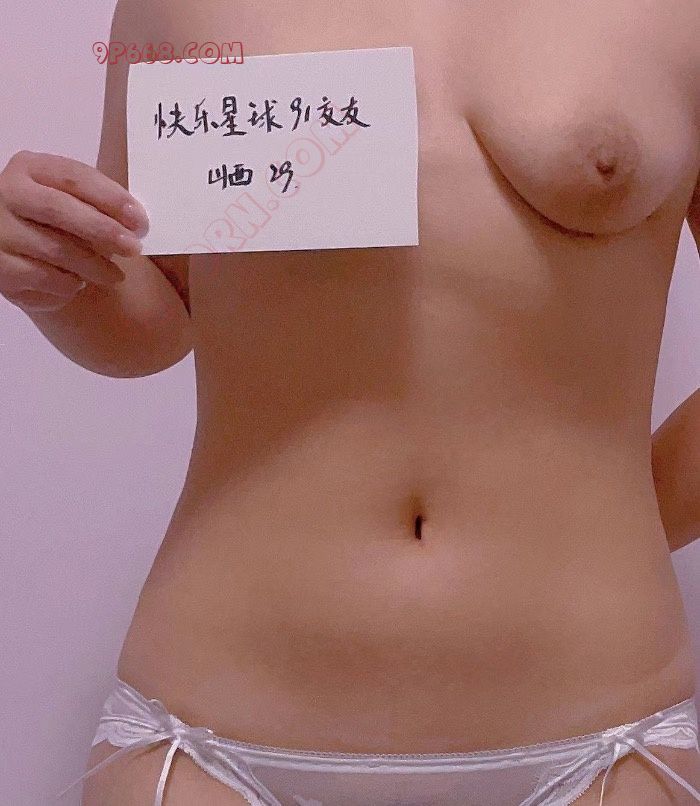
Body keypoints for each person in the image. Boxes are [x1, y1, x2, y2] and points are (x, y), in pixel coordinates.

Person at [2, 0, 700, 803]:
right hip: (210, 729)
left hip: (601, 731)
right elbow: (150, 316)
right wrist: (49, 267)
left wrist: (615, 522)